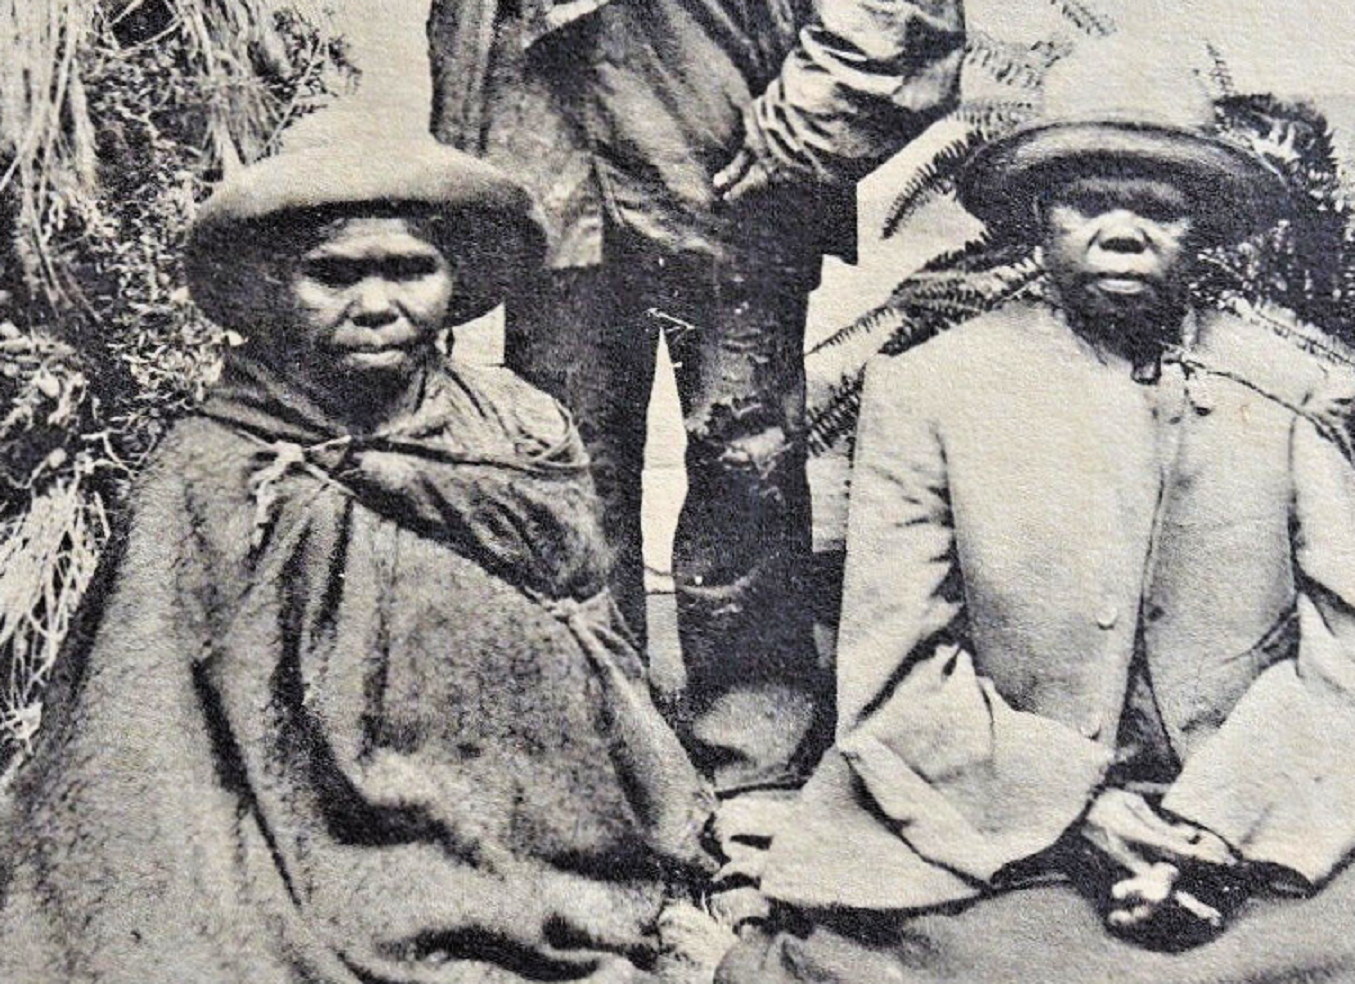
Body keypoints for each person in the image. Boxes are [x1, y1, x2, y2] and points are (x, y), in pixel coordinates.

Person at [0, 139, 719, 984]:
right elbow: (144, 712)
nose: (376, 304)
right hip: (311, 807)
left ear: (453, 283)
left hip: (533, 799)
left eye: (409, 270)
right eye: (334, 276)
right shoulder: (216, 463)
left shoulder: (517, 428)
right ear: (272, 290)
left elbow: (594, 634)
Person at [716, 41, 1355, 984]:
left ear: (1205, 229)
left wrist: (1213, 826)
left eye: (1159, 210)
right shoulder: (934, 387)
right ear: (1034, 220)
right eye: (1086, 204)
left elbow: (1343, 654)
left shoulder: (1292, 390)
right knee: (924, 953)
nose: (1122, 233)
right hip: (1001, 798)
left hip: (1248, 797)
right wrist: (1077, 806)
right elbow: (895, 670)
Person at [428, 0, 966, 800]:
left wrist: (801, 126)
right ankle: (597, 751)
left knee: (745, 463)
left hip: (725, 168)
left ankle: (752, 756)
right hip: (549, 165)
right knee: (563, 466)